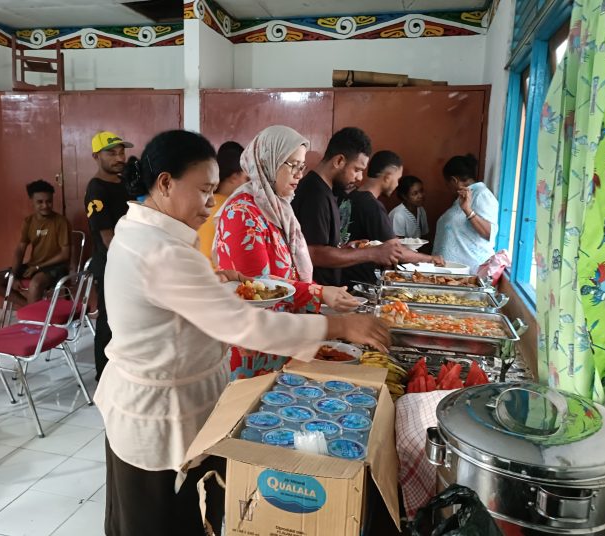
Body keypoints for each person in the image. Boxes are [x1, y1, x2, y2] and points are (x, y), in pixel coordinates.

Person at [96, 129, 389, 536]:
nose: (210, 203)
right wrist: (337, 325)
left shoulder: (141, 228)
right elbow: (241, 323)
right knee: (162, 521)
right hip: (162, 415)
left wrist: (214, 283)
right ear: (165, 183)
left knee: (140, 517)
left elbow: (171, 303)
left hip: (146, 401)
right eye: (204, 191)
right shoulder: (163, 251)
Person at [215, 125, 361, 379]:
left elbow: (290, 272)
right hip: (254, 347)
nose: (299, 174)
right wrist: (319, 293)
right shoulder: (242, 212)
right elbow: (257, 286)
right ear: (268, 162)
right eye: (292, 165)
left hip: (282, 339)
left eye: (302, 166)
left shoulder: (278, 207)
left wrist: (325, 297)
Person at [292, 127, 406, 286]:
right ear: (339, 161)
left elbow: (323, 246)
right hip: (315, 292)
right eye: (357, 170)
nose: (359, 178)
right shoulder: (315, 194)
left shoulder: (326, 190)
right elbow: (313, 253)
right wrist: (372, 253)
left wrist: (347, 249)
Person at [343, 151, 443, 285]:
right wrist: (430, 259)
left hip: (342, 277)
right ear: (388, 177)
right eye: (397, 179)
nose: (397, 185)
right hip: (357, 282)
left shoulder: (350, 197)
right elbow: (396, 250)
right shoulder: (372, 206)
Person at [85, 131, 133, 381]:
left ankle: (124, 370)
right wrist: (130, 264)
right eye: (111, 153)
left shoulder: (124, 182)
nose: (119, 158)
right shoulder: (97, 189)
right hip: (112, 265)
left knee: (128, 319)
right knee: (109, 320)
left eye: (121, 152)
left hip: (131, 262)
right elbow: (108, 238)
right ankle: (103, 376)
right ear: (96, 156)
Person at [0, 181, 71, 306]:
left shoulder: (61, 222)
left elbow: (65, 255)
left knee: (35, 284)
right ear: (31, 201)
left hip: (56, 267)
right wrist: (14, 275)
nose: (45, 205)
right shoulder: (29, 221)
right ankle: (29, 308)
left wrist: (38, 267)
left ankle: (33, 315)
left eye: (49, 201)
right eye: (40, 202)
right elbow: (20, 250)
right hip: (33, 266)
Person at [433, 154, 498, 271]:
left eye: (447, 183)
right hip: (453, 271)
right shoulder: (464, 195)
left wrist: (468, 211)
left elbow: (489, 233)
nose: (447, 187)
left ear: (454, 180)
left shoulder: (481, 194)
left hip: (469, 272)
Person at [197, 141, 248, 261]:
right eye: (247, 179)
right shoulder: (234, 209)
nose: (251, 185)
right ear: (234, 177)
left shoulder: (200, 204)